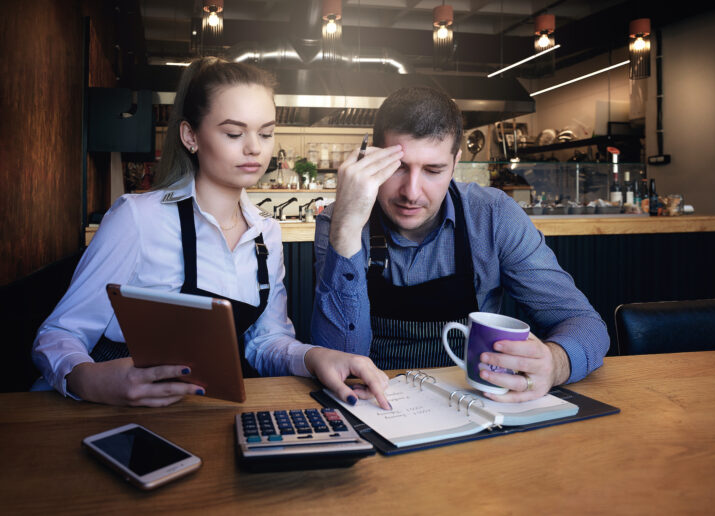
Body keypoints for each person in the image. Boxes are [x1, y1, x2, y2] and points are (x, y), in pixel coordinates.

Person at [31, 57, 389, 409]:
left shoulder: (267, 234)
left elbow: (266, 341)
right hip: (109, 414)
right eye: (234, 133)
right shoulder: (139, 219)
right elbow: (59, 334)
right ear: (190, 136)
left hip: (200, 413)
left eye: (266, 133)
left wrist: (315, 357)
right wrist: (90, 379)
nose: (254, 147)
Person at [311, 86, 609, 403]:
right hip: (376, 406)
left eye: (433, 170)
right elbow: (340, 360)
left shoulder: (494, 216)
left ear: (456, 162)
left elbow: (585, 324)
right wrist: (346, 228)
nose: (411, 192)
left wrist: (556, 363)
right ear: (369, 157)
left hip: (473, 405)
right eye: (398, 167)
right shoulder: (338, 221)